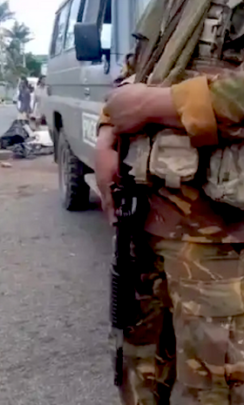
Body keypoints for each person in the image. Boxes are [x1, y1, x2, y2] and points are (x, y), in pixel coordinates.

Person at [96, 3, 244, 403]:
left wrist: (152, 107)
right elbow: (135, 75)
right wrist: (107, 132)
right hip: (142, 221)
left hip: (220, 238)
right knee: (137, 373)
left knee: (218, 388)